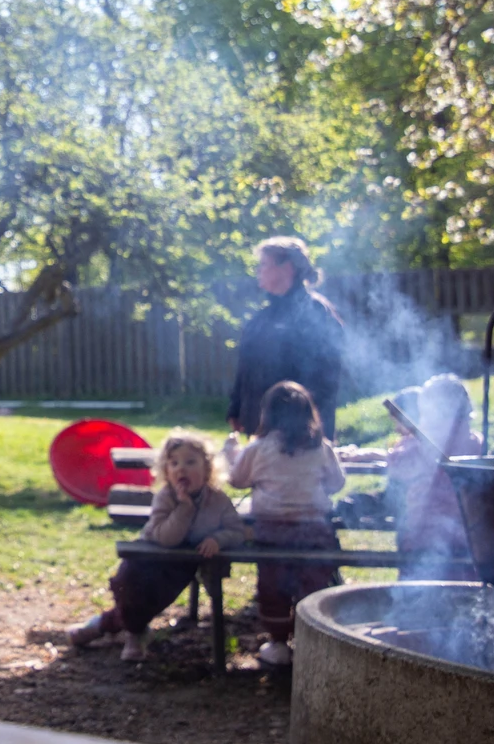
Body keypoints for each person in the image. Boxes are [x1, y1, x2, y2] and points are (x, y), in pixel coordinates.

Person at [66, 432, 246, 662]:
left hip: (183, 562)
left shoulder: (218, 500)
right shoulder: (166, 497)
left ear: (208, 469)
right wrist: (184, 508)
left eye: (190, 462)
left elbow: (237, 531)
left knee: (155, 597)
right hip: (149, 554)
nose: (181, 469)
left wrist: (218, 539)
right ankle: (128, 630)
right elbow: (166, 538)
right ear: (166, 470)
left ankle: (114, 628)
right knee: (128, 584)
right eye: (174, 463)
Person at [228, 380, 345, 667]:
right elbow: (337, 483)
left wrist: (231, 454)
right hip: (314, 531)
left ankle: (279, 642)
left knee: (274, 586)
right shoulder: (321, 448)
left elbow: (237, 480)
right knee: (313, 584)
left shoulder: (258, 448)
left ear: (266, 414)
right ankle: (312, 638)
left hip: (272, 533)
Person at [227, 237, 346, 440]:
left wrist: (297, 421)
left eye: (264, 264)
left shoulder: (315, 312)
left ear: (287, 268)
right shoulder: (261, 318)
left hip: (302, 433)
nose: (258, 270)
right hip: (261, 428)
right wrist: (237, 408)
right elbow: (246, 367)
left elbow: (325, 377)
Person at [387, 374, 482, 581]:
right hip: (467, 536)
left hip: (423, 535)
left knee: (419, 590)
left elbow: (397, 467)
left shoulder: (418, 446)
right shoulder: (476, 444)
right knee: (462, 592)